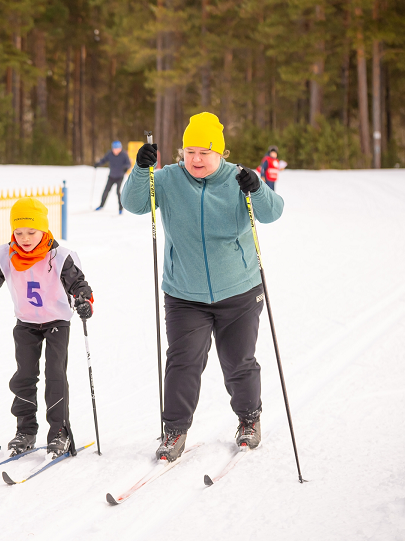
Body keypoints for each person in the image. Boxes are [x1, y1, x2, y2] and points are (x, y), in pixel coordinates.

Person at [121, 112, 284, 461]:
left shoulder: (239, 178)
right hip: (184, 294)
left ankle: (249, 420)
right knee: (183, 362)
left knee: (238, 361)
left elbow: (272, 213)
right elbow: (134, 204)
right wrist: (141, 170)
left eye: (204, 152)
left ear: (220, 153)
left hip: (239, 290)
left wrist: (257, 188)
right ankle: (174, 430)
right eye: (190, 152)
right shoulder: (167, 179)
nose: (195, 159)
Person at [0, 198, 94, 458]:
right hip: (26, 322)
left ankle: (59, 432)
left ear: (43, 230)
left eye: (31, 232)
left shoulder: (60, 257)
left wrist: (84, 300)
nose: (24, 238)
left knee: (55, 375)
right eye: (19, 232)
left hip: (57, 321)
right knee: (24, 376)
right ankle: (25, 431)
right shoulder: (7, 255)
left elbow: (78, 284)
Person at [93, 140, 132, 214]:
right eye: (114, 149)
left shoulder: (124, 155)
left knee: (118, 192)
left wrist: (126, 167)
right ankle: (101, 205)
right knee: (106, 191)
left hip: (120, 176)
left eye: (117, 149)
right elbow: (104, 160)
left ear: (120, 148)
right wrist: (98, 164)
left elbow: (128, 164)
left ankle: (120, 208)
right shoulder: (110, 154)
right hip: (111, 176)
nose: (116, 151)